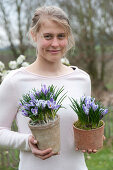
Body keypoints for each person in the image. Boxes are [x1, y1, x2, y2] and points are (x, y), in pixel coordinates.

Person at [0, 6, 99, 170]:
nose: (55, 43)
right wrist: (26, 142)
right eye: (48, 36)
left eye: (61, 36)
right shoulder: (15, 81)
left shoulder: (81, 79)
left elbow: (82, 126)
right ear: (34, 36)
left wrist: (92, 136)